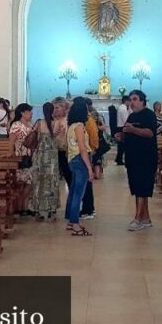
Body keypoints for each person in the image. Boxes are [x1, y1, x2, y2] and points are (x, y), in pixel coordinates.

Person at [117, 89, 158, 231]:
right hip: (132, 157)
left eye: (135, 99)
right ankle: (146, 219)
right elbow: (127, 134)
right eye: (130, 99)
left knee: (142, 188)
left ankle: (138, 219)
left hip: (145, 157)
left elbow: (149, 133)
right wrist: (120, 136)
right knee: (138, 188)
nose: (132, 102)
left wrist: (133, 130)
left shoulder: (149, 115)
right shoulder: (131, 116)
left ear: (142, 101)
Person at [65, 101, 93, 236]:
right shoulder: (80, 126)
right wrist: (90, 168)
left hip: (72, 159)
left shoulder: (71, 126)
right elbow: (82, 148)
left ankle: (71, 221)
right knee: (78, 193)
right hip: (80, 160)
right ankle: (75, 223)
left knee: (73, 191)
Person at [29, 102, 61, 221]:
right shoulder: (56, 123)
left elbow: (33, 136)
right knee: (52, 181)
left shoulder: (39, 123)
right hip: (52, 155)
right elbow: (56, 138)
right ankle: (52, 211)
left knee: (39, 181)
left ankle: (37, 211)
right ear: (53, 111)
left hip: (40, 155)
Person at [7, 103, 35, 216]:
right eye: (29, 112)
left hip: (29, 156)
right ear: (23, 113)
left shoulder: (30, 124)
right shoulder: (16, 125)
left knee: (29, 183)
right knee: (20, 184)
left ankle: (25, 206)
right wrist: (11, 152)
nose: (31, 114)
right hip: (20, 156)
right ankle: (18, 208)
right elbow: (11, 141)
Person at [76, 97, 97, 219]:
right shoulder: (82, 121)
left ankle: (88, 209)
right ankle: (87, 208)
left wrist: (92, 150)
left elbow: (93, 138)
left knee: (86, 183)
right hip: (83, 153)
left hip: (86, 153)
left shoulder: (88, 121)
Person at [52, 98, 70, 186]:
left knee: (68, 174)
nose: (54, 110)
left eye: (57, 108)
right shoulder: (50, 120)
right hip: (52, 151)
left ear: (64, 108)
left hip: (64, 150)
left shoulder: (67, 120)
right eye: (53, 108)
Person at [114, 95, 130, 165]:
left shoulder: (122, 107)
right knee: (123, 145)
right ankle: (120, 160)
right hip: (122, 127)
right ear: (126, 101)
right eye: (129, 101)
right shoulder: (123, 108)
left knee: (121, 145)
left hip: (120, 127)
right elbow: (126, 120)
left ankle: (118, 159)